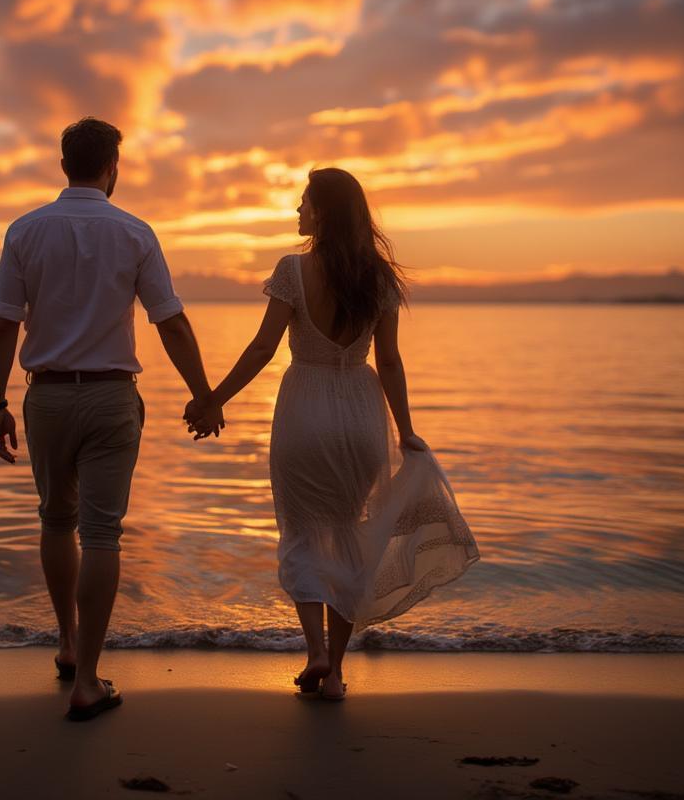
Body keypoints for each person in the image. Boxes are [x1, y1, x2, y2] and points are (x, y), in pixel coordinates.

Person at [185, 168, 479, 701]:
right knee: (348, 536)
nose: (297, 212)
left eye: (304, 203)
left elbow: (261, 349)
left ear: (322, 212)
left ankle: (315, 651)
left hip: (304, 412)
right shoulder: (380, 279)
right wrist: (407, 431)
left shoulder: (293, 270)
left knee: (300, 533)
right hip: (361, 417)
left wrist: (213, 400)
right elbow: (388, 361)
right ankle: (337, 671)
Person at [0, 116, 221, 722]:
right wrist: (204, 395)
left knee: (56, 519)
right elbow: (170, 320)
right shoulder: (135, 233)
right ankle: (87, 678)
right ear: (112, 167)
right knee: (103, 534)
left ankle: (67, 643)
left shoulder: (25, 230)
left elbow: (5, 322)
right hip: (113, 397)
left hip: (49, 397)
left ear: (65, 165)